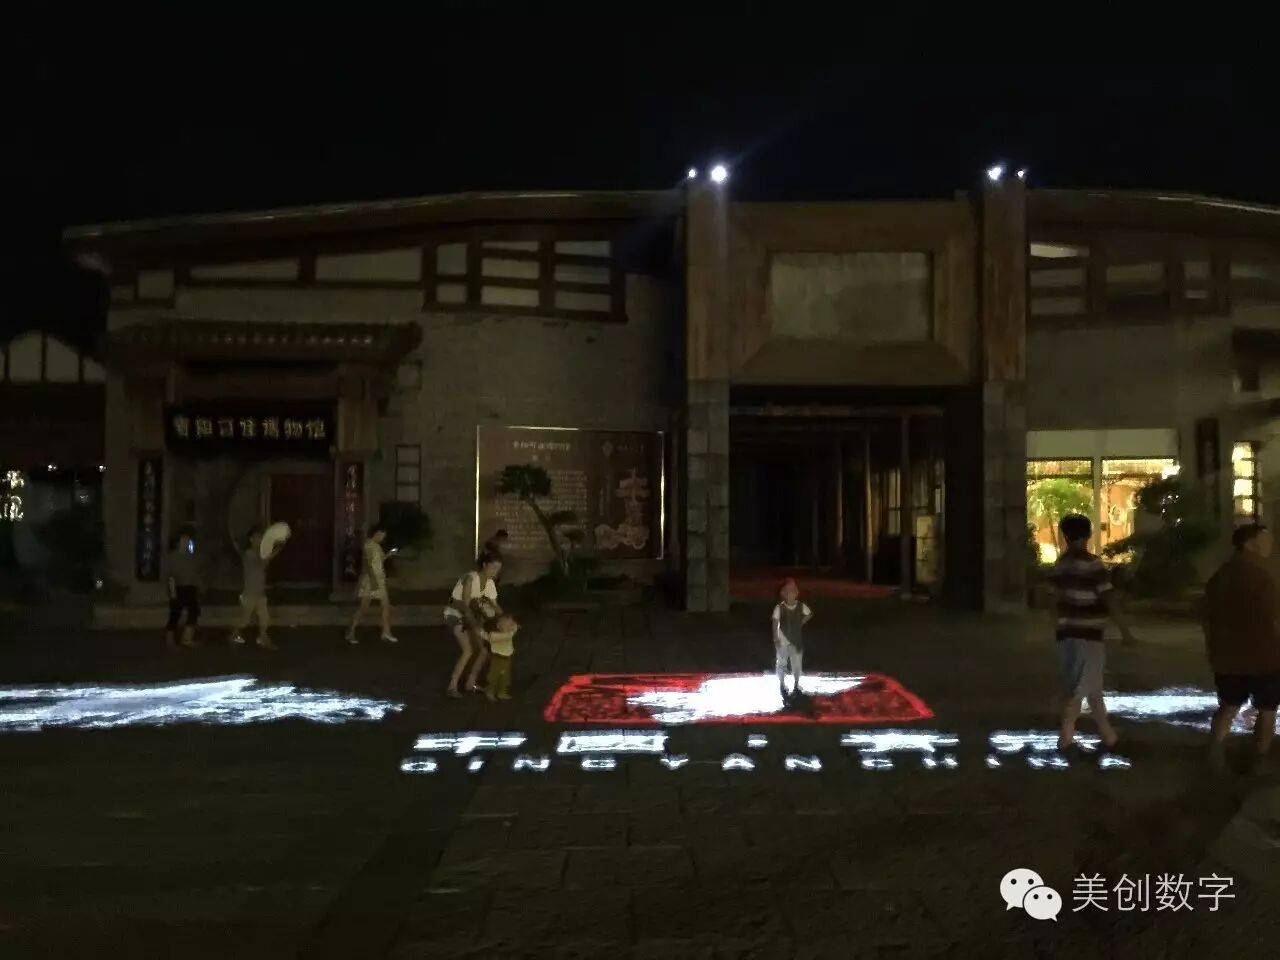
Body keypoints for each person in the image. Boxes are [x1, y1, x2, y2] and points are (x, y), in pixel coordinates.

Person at [1047, 513, 1137, 753]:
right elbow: (1108, 598)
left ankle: (1109, 737)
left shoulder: (1060, 565)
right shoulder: (1092, 564)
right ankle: (1066, 738)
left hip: (1067, 634)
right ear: (1088, 535)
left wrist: (1058, 626)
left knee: (1092, 688)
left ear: (1065, 536)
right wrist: (1125, 631)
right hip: (1088, 634)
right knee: (1079, 689)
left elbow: (1052, 601)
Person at [1203, 522, 1280, 773]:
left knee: (1228, 705)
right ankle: (1260, 758)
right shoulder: (1261, 577)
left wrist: (1212, 648)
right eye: (1264, 539)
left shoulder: (1221, 576)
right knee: (1267, 708)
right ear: (1249, 544)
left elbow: (1206, 617)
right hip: (1264, 656)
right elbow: (1273, 618)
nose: (1269, 544)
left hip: (1227, 656)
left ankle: (1215, 752)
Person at [444, 550, 503, 697]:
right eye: (493, 568)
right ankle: (452, 686)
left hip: (472, 616)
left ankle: (471, 683)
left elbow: (495, 606)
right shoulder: (469, 578)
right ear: (484, 565)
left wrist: (506, 621)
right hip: (454, 614)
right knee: (468, 649)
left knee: (484, 650)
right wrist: (477, 627)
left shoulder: (490, 583)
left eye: (498, 569)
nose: (495, 572)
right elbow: (465, 606)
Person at [230, 526, 284, 650]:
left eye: (260, 537)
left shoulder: (260, 553)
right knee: (244, 620)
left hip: (260, 592)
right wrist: (276, 550)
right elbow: (261, 562)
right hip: (249, 592)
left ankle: (263, 638)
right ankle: (234, 634)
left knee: (265, 617)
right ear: (250, 539)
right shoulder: (249, 553)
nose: (259, 540)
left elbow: (263, 565)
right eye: (256, 537)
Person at [345, 526, 398, 645]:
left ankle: (386, 632)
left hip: (380, 579)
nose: (383, 538)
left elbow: (380, 560)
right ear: (376, 533)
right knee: (363, 607)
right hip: (370, 580)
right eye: (382, 535)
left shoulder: (377, 546)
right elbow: (368, 565)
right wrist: (373, 581)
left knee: (386, 606)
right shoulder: (368, 545)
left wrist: (389, 554)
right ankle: (350, 631)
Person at [772, 577, 812, 702]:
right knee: (782, 663)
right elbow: (775, 622)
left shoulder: (800, 606)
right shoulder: (780, 608)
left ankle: (796, 684)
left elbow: (809, 614)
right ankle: (782, 683)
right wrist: (776, 638)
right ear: (783, 593)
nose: (791, 593)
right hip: (783, 641)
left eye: (793, 590)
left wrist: (801, 622)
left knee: (797, 663)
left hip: (796, 640)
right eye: (788, 590)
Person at [165, 531, 201, 649]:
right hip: (178, 587)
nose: (185, 543)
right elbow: (171, 577)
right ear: (178, 543)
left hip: (190, 588)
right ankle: (169, 637)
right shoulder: (173, 557)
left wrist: (198, 586)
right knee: (175, 614)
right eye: (183, 541)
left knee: (194, 612)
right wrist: (173, 593)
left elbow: (195, 573)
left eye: (187, 541)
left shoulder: (191, 557)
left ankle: (187, 639)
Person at [483, 613, 520, 701]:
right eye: (507, 625)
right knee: (494, 676)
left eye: (510, 625)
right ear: (499, 626)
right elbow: (489, 637)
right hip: (497, 658)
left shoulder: (509, 632)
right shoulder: (497, 636)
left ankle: (501, 692)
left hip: (507, 659)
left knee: (505, 677)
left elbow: (514, 626)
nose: (510, 627)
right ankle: (490, 691)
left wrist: (514, 625)